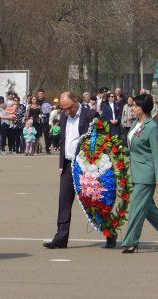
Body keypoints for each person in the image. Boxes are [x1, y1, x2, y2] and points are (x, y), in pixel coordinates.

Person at [43, 91, 117, 249]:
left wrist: (95, 164)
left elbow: (101, 137)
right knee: (64, 201)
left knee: (95, 201)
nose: (66, 111)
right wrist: (61, 164)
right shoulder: (63, 117)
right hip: (68, 164)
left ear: (75, 101)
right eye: (62, 109)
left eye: (68, 107)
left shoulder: (90, 115)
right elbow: (64, 141)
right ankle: (61, 238)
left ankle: (109, 232)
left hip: (85, 165)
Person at [121, 94, 158, 253]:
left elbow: (156, 153)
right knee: (148, 208)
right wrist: (116, 148)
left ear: (143, 108)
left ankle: (131, 242)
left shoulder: (151, 126)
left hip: (146, 174)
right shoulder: (135, 124)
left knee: (137, 208)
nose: (132, 108)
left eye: (135, 106)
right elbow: (132, 149)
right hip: (136, 172)